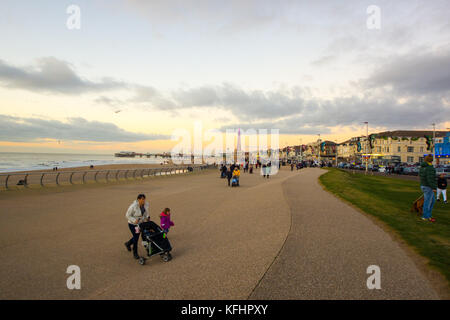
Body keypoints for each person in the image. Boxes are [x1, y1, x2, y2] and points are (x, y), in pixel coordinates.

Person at [124, 194, 150, 259]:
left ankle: (128, 243)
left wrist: (147, 217)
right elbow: (127, 215)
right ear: (138, 199)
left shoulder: (146, 204)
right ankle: (135, 253)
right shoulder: (133, 206)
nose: (144, 200)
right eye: (142, 199)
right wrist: (134, 220)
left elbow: (146, 212)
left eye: (144, 199)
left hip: (141, 223)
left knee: (142, 236)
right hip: (133, 225)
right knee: (136, 238)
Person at [419, 155, 437, 222]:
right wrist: (434, 187)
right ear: (431, 160)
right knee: (428, 202)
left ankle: (428, 215)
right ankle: (425, 216)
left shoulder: (422, 167)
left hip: (423, 185)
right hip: (428, 186)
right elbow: (430, 179)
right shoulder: (430, 168)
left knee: (431, 201)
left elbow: (421, 176)